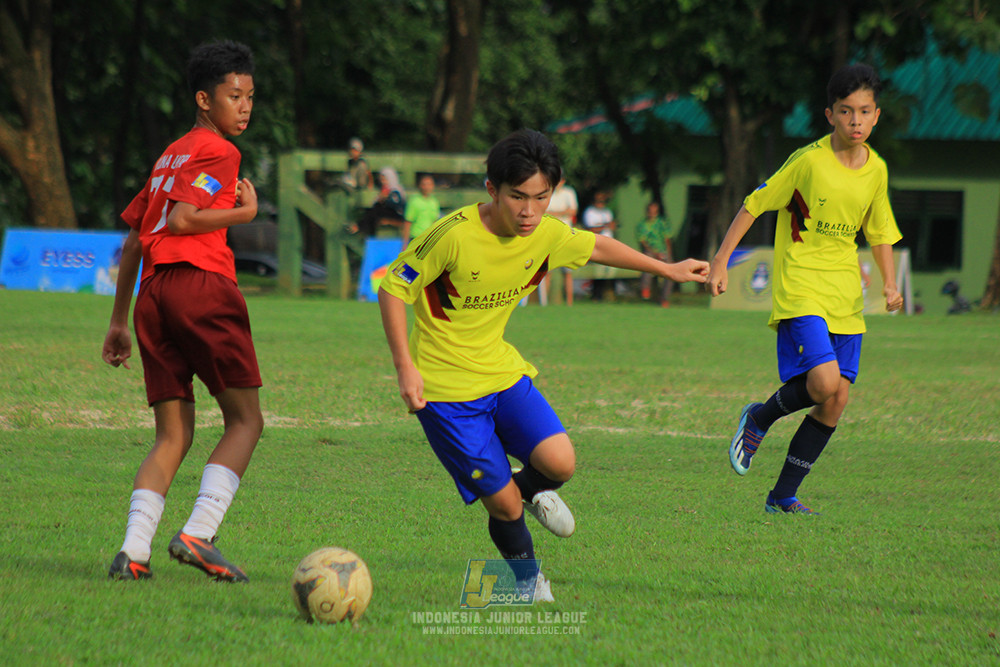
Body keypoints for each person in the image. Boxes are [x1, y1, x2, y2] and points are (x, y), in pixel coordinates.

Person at [377, 129, 708, 600]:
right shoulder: (451, 236)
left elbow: (597, 247)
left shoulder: (547, 233)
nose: (530, 211)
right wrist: (405, 367)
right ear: (492, 190)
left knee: (560, 462)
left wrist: (669, 269)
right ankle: (527, 581)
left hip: (503, 372)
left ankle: (525, 489)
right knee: (505, 507)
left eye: (541, 197)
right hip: (446, 392)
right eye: (517, 197)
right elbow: (393, 289)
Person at [706, 63, 903, 515]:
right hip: (800, 286)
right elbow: (753, 204)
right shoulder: (808, 161)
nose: (856, 121)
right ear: (829, 114)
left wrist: (890, 283)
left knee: (837, 399)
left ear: (877, 116)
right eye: (846, 111)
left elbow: (879, 232)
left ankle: (782, 496)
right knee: (823, 381)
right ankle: (760, 417)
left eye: (865, 111)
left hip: (844, 293)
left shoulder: (877, 170)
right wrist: (720, 260)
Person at [102, 40, 264, 582]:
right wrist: (245, 211)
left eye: (248, 96)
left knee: (172, 434)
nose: (243, 106)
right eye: (233, 95)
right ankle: (199, 532)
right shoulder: (220, 152)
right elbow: (181, 221)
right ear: (204, 99)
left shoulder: (170, 154)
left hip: (152, 296)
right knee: (245, 419)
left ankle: (133, 551)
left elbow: (134, 240)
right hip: (200, 287)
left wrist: (119, 319)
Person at [543, 177, 578, 305]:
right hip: (549, 236)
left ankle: (569, 302)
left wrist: (553, 214)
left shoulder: (569, 192)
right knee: (547, 272)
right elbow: (542, 212)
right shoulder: (546, 192)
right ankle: (544, 303)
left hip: (566, 236)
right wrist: (562, 213)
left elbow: (573, 211)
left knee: (567, 272)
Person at [636, 200, 676, 307]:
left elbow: (667, 238)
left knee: (671, 272)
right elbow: (642, 241)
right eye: (650, 211)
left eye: (654, 211)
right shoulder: (642, 224)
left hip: (662, 250)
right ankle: (645, 289)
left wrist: (668, 252)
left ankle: (664, 298)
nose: (652, 213)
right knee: (648, 266)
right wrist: (655, 252)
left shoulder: (662, 223)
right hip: (650, 250)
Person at [581, 191, 617, 300]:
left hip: (609, 243)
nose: (601, 203)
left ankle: (609, 294)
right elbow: (591, 229)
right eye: (599, 201)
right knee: (597, 272)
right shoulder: (590, 212)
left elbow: (612, 227)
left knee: (610, 271)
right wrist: (605, 226)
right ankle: (596, 295)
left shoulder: (607, 212)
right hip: (596, 244)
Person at [402, 174, 442, 246]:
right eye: (424, 184)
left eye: (429, 184)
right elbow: (408, 222)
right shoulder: (414, 201)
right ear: (420, 186)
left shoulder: (434, 202)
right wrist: (405, 243)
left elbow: (434, 221)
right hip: (416, 237)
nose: (427, 187)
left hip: (429, 238)